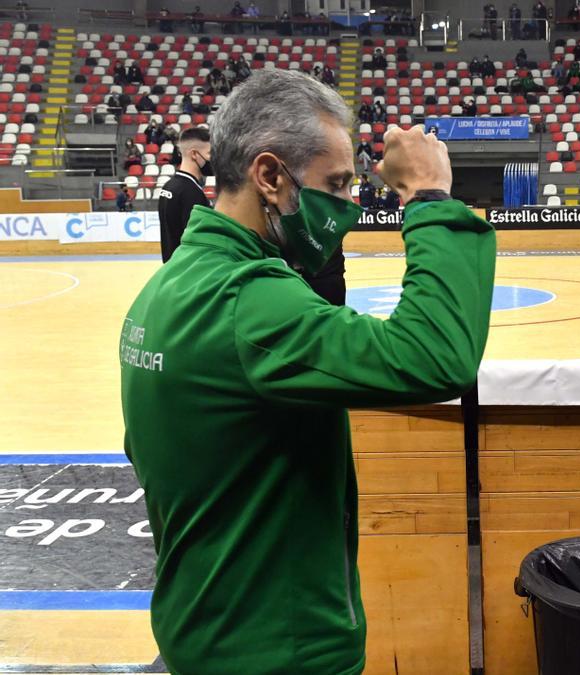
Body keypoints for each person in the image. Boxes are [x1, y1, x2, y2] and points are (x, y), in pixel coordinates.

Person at [120, 68, 496, 675]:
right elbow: (435, 357)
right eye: (337, 184)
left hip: (204, 622)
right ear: (269, 175)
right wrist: (429, 197)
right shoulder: (249, 302)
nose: (346, 206)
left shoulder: (167, 287)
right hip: (279, 648)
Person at [157, 126, 212, 262]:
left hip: (172, 268)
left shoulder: (169, 186)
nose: (213, 159)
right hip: (188, 272)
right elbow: (197, 244)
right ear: (194, 154)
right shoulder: (192, 193)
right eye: (210, 153)